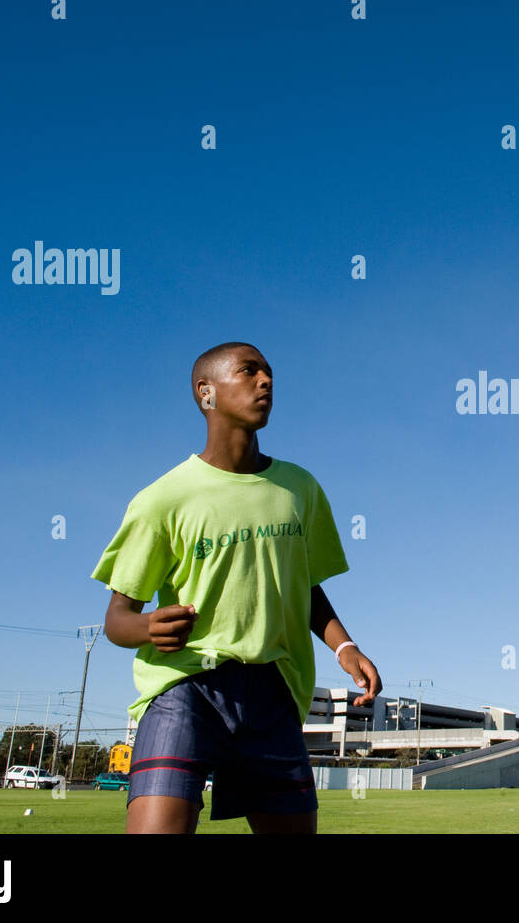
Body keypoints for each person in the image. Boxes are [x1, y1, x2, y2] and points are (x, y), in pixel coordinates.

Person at [91, 341, 381, 834]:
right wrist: (147, 627)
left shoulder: (300, 488)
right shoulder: (162, 499)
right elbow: (116, 621)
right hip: (184, 688)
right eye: (248, 372)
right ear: (207, 393)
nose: (265, 382)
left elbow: (304, 586)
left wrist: (344, 646)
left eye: (268, 373)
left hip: (274, 689)